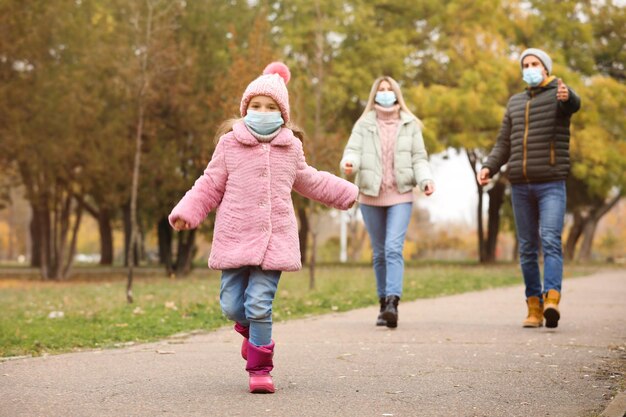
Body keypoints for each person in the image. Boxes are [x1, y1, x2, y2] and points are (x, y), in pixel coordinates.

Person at [169, 62, 358, 393]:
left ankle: (260, 369)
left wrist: (346, 193)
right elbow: (210, 183)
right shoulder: (229, 145)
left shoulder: (290, 148)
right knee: (232, 306)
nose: (262, 111)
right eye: (256, 106)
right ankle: (250, 331)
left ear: (282, 114)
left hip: (275, 241)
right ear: (245, 110)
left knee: (259, 304)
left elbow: (310, 180)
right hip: (235, 237)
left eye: (270, 107)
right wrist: (188, 211)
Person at [477, 48, 581, 329]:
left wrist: (567, 96)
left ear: (546, 68)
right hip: (521, 185)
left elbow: (573, 104)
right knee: (526, 248)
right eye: (526, 64)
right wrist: (489, 166)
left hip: (550, 183)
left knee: (549, 240)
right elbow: (504, 143)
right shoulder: (515, 103)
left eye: (535, 64)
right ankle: (533, 308)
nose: (530, 68)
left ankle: (552, 300)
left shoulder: (558, 95)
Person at [340, 76, 435, 329]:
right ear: (374, 95)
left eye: (388, 90)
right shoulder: (364, 124)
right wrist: (349, 164)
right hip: (370, 195)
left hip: (401, 194)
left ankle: (393, 302)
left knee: (393, 248)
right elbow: (353, 150)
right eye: (380, 90)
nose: (384, 93)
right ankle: (383, 303)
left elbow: (419, 157)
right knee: (379, 252)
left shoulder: (410, 124)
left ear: (396, 94)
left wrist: (425, 179)